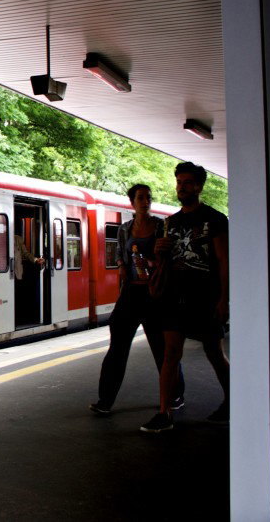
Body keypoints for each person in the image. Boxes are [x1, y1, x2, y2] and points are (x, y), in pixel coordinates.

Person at [141, 162, 230, 433]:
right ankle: (164, 412)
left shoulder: (215, 219)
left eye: (188, 182)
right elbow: (159, 263)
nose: (182, 187)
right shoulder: (169, 223)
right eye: (179, 182)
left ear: (199, 186)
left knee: (214, 351)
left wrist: (224, 299)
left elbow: (223, 260)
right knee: (170, 353)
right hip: (174, 297)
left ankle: (233, 399)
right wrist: (158, 250)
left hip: (205, 296)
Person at [89, 184, 185, 415]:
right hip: (131, 292)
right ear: (132, 202)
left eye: (148, 197)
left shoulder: (163, 227)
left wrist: (152, 262)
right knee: (117, 348)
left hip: (156, 295)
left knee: (162, 349)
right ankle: (105, 400)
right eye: (140, 198)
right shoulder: (125, 229)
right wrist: (123, 267)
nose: (146, 201)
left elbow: (173, 260)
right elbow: (122, 256)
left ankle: (175, 395)